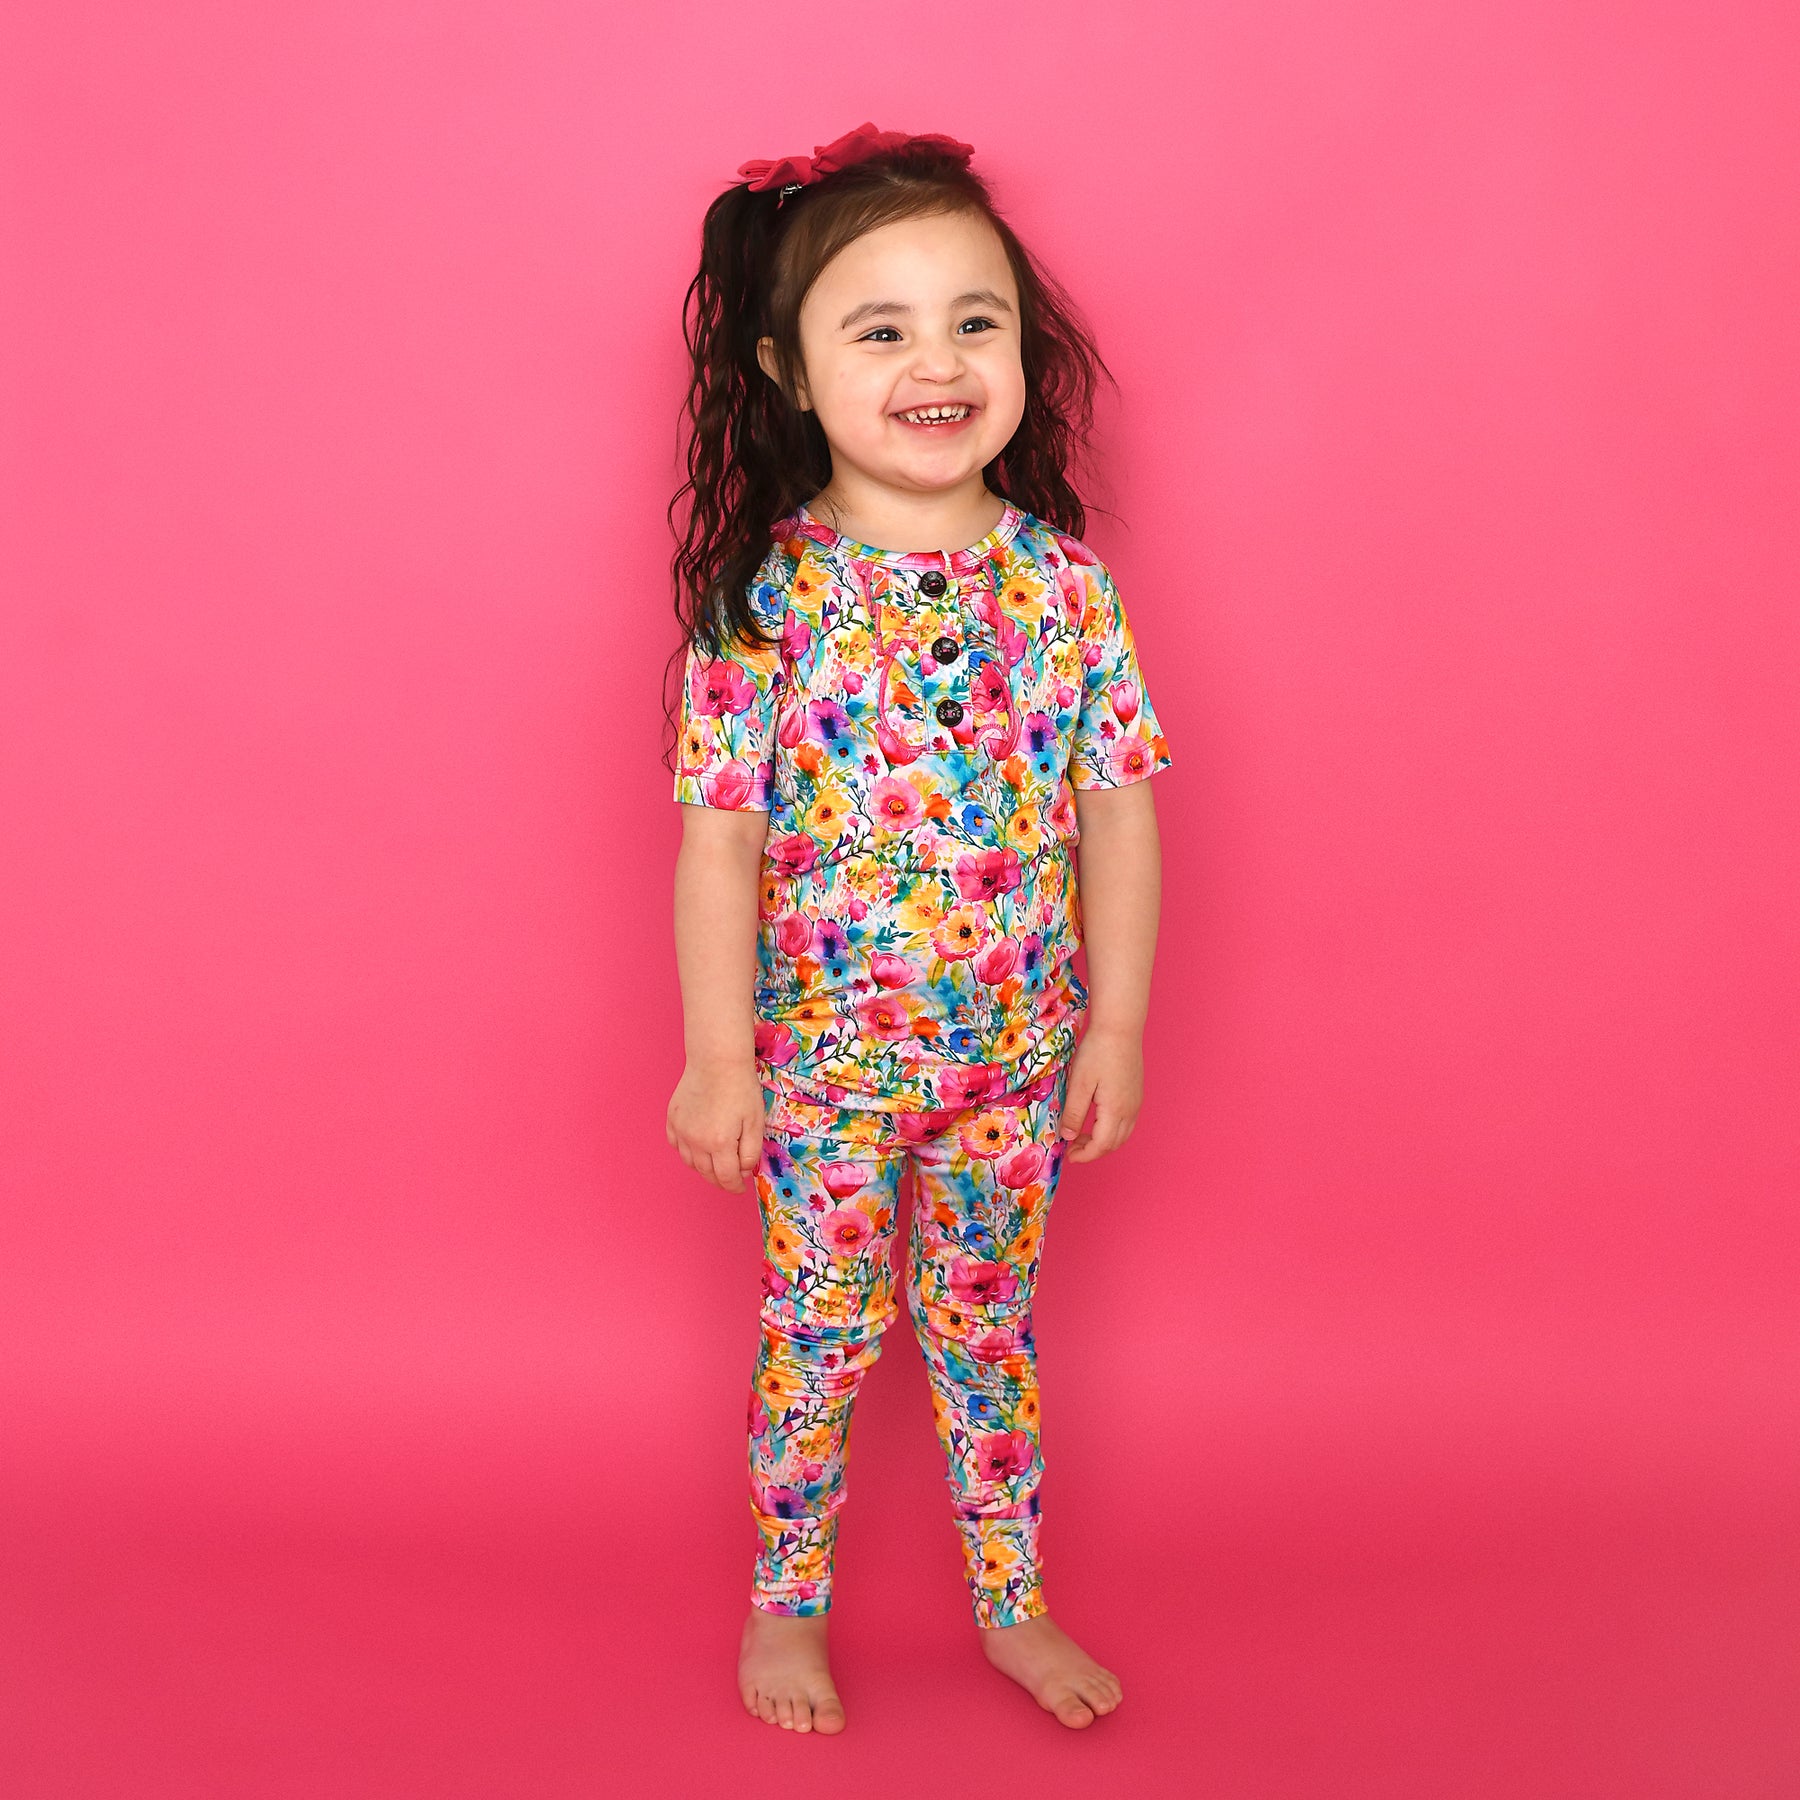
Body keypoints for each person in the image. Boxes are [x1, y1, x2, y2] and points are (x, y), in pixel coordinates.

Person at [663, 122, 1173, 1735]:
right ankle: (786, 1608)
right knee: (817, 1339)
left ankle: (1013, 1603)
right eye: (880, 330)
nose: (937, 362)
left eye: (974, 321)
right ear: (788, 372)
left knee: (987, 1336)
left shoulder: (1066, 591)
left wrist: (1113, 1026)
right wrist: (718, 1060)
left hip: (1011, 1070)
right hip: (822, 1076)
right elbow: (720, 845)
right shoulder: (767, 604)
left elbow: (1118, 812)